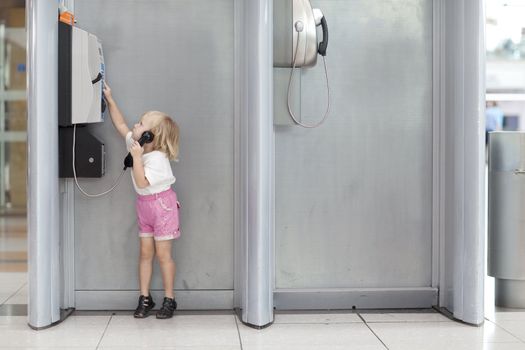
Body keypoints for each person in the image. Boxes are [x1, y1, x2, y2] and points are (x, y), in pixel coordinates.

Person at [103, 82, 181, 319]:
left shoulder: (156, 157)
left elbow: (143, 181)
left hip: (162, 206)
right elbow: (120, 124)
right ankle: (144, 297)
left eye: (140, 124)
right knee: (145, 253)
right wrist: (109, 98)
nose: (135, 125)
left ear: (149, 135)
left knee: (163, 255)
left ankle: (170, 299)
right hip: (145, 207)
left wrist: (136, 158)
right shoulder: (138, 147)